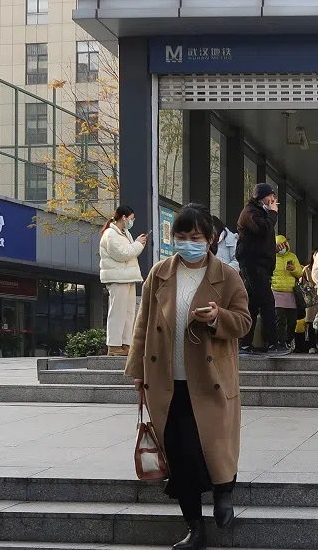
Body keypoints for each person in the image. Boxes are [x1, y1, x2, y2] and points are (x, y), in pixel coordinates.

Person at [125, 203, 251, 550]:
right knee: (180, 455)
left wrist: (216, 317)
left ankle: (224, 492)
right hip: (168, 380)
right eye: (180, 237)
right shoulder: (160, 273)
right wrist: (137, 370)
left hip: (210, 378)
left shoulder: (227, 275)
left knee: (210, 446)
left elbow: (243, 321)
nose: (187, 243)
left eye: (194, 237)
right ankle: (195, 528)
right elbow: (142, 324)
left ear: (210, 239)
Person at [236, 183, 280, 354]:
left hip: (260, 263)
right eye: (271, 197)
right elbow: (263, 229)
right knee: (267, 302)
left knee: (252, 304)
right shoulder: (250, 212)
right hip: (253, 263)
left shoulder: (259, 212)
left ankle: (245, 343)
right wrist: (273, 213)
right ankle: (273, 343)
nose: (273, 200)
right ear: (262, 197)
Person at [99, 205, 148, 357]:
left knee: (128, 313)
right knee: (117, 312)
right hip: (117, 278)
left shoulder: (125, 233)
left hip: (128, 277)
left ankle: (125, 344)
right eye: (131, 218)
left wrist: (137, 244)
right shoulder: (110, 234)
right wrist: (138, 244)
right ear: (124, 217)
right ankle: (114, 345)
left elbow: (129, 253)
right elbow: (122, 254)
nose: (132, 221)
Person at [272, 235, 303, 351]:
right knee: (279, 319)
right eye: (278, 246)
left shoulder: (292, 256)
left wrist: (294, 269)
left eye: (283, 245)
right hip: (276, 291)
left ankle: (288, 340)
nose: (281, 248)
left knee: (292, 321)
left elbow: (300, 273)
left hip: (291, 293)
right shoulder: (272, 257)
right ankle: (280, 342)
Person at [301, 248, 318, 353]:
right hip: (310, 299)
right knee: (310, 322)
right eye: (315, 255)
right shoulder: (307, 269)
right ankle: (311, 346)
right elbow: (305, 283)